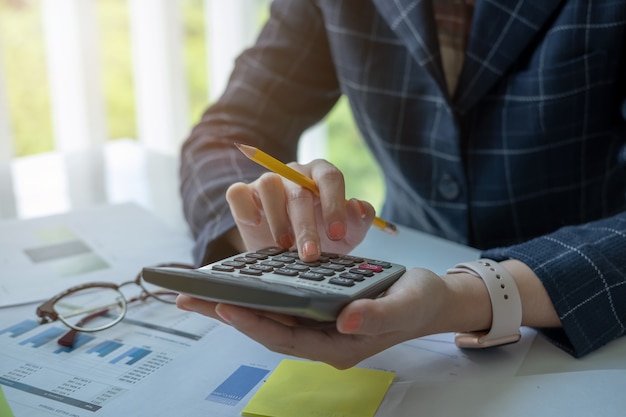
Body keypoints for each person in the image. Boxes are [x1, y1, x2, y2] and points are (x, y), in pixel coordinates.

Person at [175, 0, 626, 369]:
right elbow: (227, 131)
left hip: (589, 303)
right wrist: (261, 228)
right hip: (400, 271)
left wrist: (466, 297)